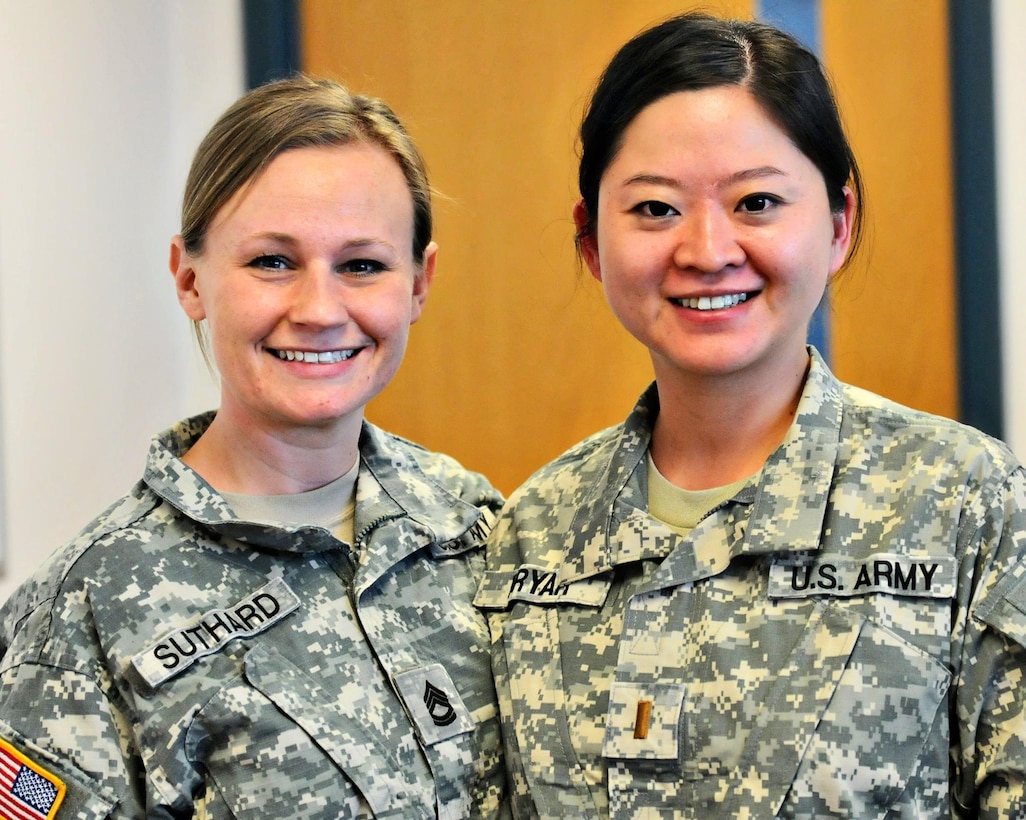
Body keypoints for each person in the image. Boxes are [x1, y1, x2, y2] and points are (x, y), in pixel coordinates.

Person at [476, 12, 1026, 818]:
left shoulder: (966, 501)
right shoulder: (533, 530)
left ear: (838, 225)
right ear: (591, 242)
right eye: (656, 209)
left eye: (757, 202)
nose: (706, 249)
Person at [0, 76, 506, 818]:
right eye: (272, 261)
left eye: (362, 264)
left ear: (419, 283)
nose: (319, 309)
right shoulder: (86, 609)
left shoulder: (475, 527)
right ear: (190, 278)